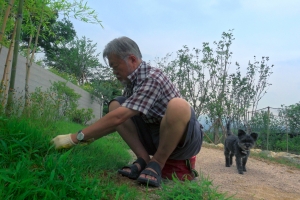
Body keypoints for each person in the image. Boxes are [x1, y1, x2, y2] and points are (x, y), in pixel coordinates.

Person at [51, 36, 203, 187]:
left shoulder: (152, 77)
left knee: (179, 105)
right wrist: (86, 139)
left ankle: (157, 163)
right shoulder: (132, 84)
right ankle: (143, 159)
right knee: (116, 105)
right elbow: (117, 121)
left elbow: (118, 118)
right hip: (153, 135)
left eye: (115, 67)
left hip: (180, 140)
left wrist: (75, 137)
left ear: (132, 60)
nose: (114, 72)